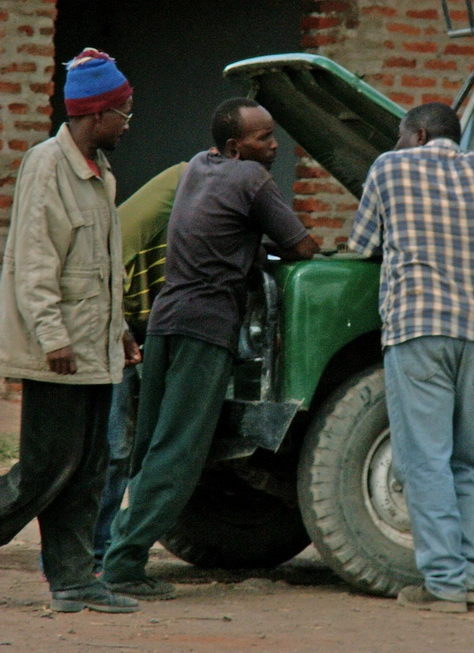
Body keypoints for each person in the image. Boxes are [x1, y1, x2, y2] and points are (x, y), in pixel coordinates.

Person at [101, 98, 320, 600]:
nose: (273, 145)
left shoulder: (198, 166)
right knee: (178, 454)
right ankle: (123, 566)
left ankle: (116, 547)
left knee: (151, 443)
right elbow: (300, 247)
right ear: (234, 147)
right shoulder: (251, 180)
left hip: (163, 321)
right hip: (205, 328)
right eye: (263, 138)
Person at [348, 102, 474, 613]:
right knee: (466, 458)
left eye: (401, 137)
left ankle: (443, 586)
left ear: (418, 135)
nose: (398, 145)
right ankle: (462, 576)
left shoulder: (389, 166)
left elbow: (361, 244)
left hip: (420, 327)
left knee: (424, 460)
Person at [0, 49, 141, 613]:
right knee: (44, 469)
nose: (129, 123)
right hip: (59, 350)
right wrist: (52, 335)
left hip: (95, 349)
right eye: (124, 112)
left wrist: (122, 331)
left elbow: (102, 269)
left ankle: (75, 580)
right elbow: (34, 260)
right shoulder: (46, 165)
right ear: (96, 114)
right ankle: (72, 577)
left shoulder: (100, 174)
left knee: (85, 470)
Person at [93, 162, 187, 573]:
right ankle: (93, 552)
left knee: (124, 448)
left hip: (137, 326)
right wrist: (119, 329)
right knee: (111, 449)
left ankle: (106, 548)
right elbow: (106, 267)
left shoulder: (183, 190)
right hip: (110, 325)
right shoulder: (186, 183)